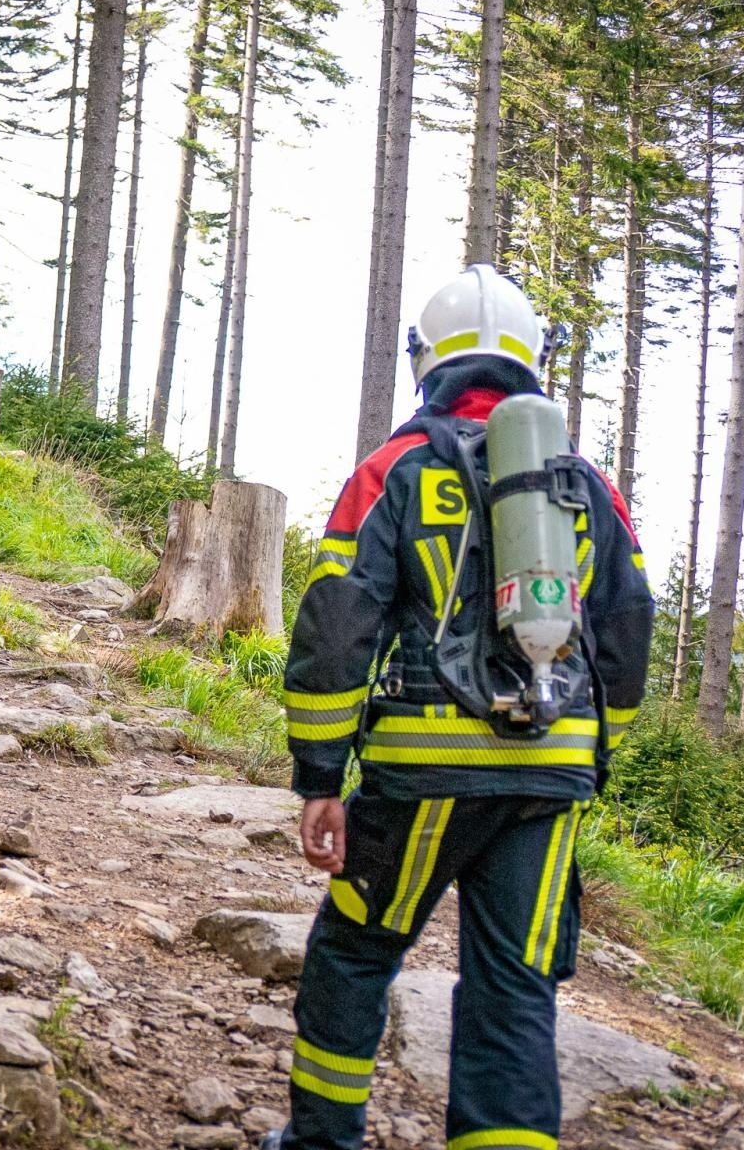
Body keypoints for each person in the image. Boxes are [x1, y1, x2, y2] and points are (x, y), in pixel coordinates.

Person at [266, 265, 653, 1150]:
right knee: (515, 987)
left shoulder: (395, 469)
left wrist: (319, 778)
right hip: (549, 780)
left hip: (422, 774)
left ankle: (321, 1141)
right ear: (534, 362)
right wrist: (593, 754)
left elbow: (335, 627)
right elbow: (629, 626)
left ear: (425, 361)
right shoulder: (586, 486)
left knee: (358, 952)